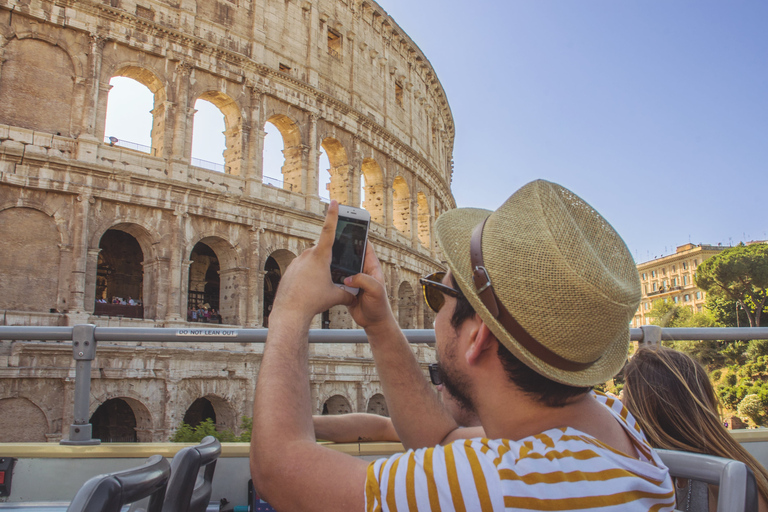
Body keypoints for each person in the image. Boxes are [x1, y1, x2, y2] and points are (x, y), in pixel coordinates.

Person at [250, 181, 675, 511]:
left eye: (439, 295)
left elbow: (278, 472)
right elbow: (442, 438)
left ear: (478, 337)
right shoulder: (615, 427)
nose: (433, 314)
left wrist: (289, 312)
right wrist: (380, 327)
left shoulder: (500, 486)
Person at [623, 345, 768, 512]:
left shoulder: (725, 484)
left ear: (650, 415)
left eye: (624, 398)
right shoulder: (683, 474)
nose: (621, 407)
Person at [313, 364, 483, 444]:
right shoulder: (462, 436)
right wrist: (308, 423)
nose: (438, 386)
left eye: (441, 374)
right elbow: (381, 428)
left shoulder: (475, 442)